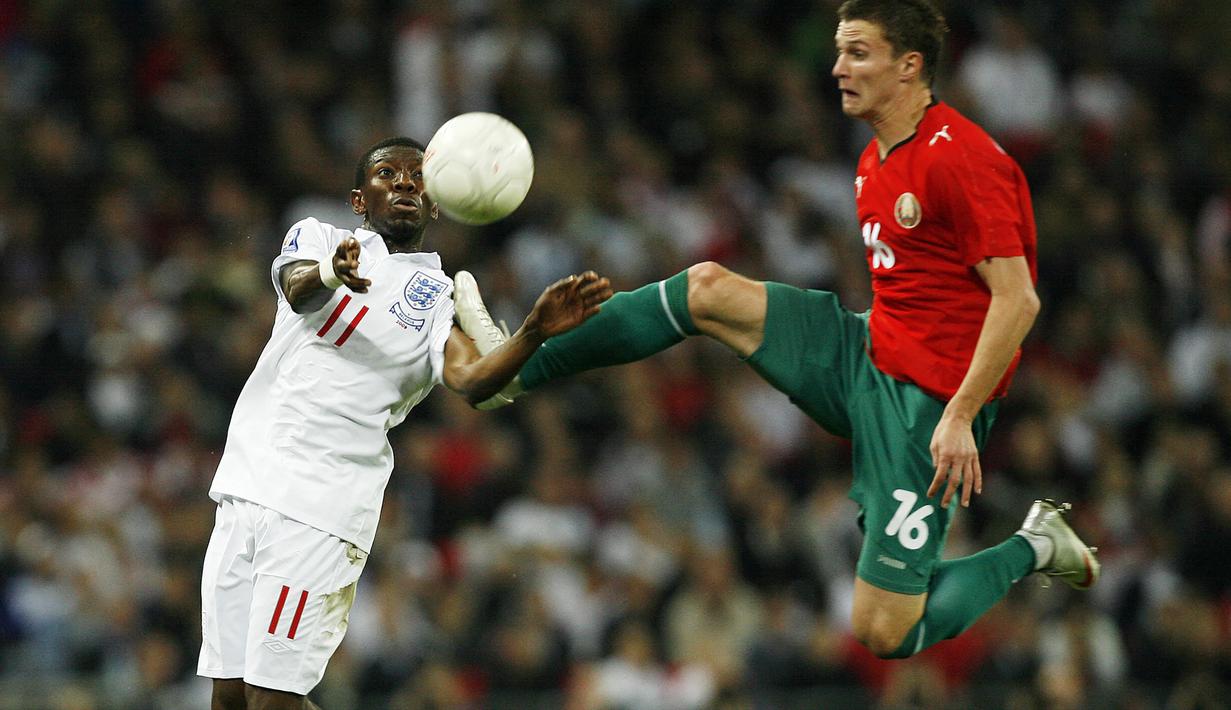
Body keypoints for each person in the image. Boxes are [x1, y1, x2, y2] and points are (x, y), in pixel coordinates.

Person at [457, 0, 1099, 660]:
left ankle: (1034, 545)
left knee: (883, 630)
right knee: (706, 290)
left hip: (925, 414)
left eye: (856, 53)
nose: (836, 68)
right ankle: (515, 366)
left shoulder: (962, 159)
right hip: (865, 352)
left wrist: (960, 414)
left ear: (908, 66)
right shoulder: (875, 158)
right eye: (839, 50)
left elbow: (1018, 300)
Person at [196, 136, 612, 710]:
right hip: (245, 487)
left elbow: (471, 382)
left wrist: (533, 332)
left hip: (321, 506)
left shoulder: (438, 297)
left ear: (437, 203)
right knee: (229, 699)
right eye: (387, 174)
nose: (405, 183)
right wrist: (332, 271)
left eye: (419, 176)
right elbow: (296, 288)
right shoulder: (319, 236)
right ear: (359, 200)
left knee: (272, 700)